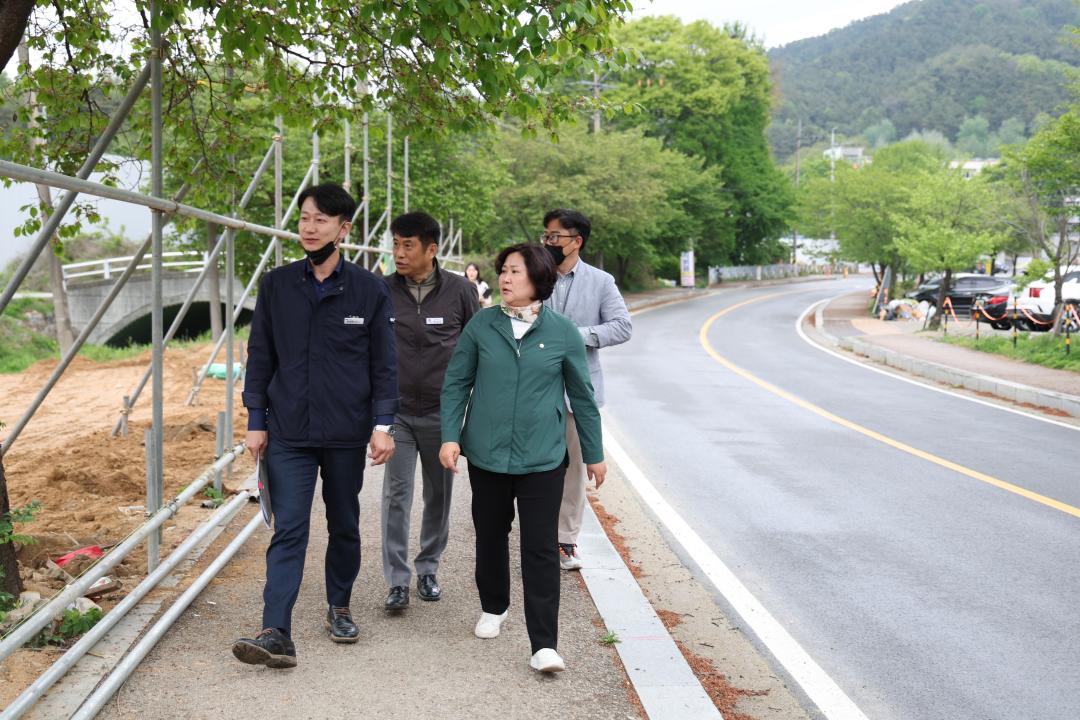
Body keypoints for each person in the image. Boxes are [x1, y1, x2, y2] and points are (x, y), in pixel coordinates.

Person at [232, 183, 399, 669]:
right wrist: (256, 421)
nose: (309, 227)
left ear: (343, 229)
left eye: (321, 219)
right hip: (288, 432)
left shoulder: (370, 291)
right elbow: (260, 357)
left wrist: (383, 424)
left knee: (344, 522)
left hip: (347, 433)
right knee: (289, 529)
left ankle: (339, 605)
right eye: (304, 217)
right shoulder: (278, 286)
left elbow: (384, 365)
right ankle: (275, 629)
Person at [439, 243, 606, 674]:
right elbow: (456, 383)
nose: (505, 279)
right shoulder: (482, 325)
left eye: (514, 271)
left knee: (539, 549)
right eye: (503, 271)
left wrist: (594, 454)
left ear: (538, 278)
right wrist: (450, 437)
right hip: (488, 455)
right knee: (490, 534)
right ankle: (494, 607)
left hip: (543, 457)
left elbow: (583, 399)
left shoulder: (564, 331)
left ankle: (544, 644)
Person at [380, 211, 480, 612]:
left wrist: (470, 412)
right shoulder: (382, 289)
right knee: (396, 495)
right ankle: (397, 580)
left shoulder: (459, 291)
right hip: (398, 412)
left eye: (408, 245)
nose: (399, 253)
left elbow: (476, 347)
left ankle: (428, 568)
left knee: (438, 495)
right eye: (396, 244)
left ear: (431, 249)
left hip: (444, 412)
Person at [540, 209, 631, 571]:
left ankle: (565, 541)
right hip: (536, 389)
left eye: (555, 237)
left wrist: (579, 336)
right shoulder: (535, 274)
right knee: (535, 468)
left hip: (578, 392)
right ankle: (535, 533)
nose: (548, 242)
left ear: (576, 242)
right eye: (545, 235)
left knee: (574, 471)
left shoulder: (602, 282)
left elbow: (622, 327)